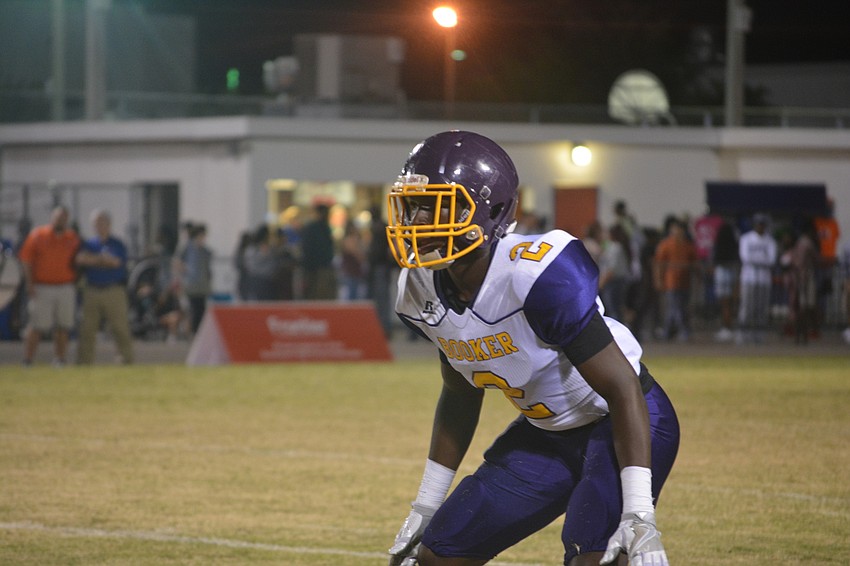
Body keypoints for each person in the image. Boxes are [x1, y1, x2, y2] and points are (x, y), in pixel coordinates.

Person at [385, 131, 679, 566]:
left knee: (596, 558)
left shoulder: (534, 276)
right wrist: (426, 503)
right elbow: (460, 393)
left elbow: (621, 387)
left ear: (493, 211)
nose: (419, 219)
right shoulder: (419, 288)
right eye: (414, 205)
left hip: (621, 419)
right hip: (546, 434)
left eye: (439, 205)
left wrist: (639, 512)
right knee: (433, 558)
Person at [17, 206, 81, 366]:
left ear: (67, 220)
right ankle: (28, 360)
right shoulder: (38, 235)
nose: (60, 220)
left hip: (65, 286)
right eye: (58, 217)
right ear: (52, 217)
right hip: (42, 286)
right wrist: (30, 284)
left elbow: (79, 260)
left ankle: (59, 359)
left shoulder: (72, 238)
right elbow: (26, 261)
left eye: (63, 218)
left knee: (63, 326)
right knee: (37, 325)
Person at [75, 209, 134, 364]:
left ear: (109, 224)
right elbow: (80, 260)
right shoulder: (89, 244)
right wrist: (102, 259)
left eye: (102, 222)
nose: (99, 226)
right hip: (92, 290)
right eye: (96, 223)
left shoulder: (117, 243)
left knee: (119, 328)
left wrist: (93, 260)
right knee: (87, 329)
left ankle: (125, 360)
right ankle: (84, 362)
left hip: (113, 290)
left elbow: (115, 262)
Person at [653, 219, 698, 342]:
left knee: (678, 308)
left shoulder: (688, 245)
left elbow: (694, 263)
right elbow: (659, 263)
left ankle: (668, 332)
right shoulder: (666, 245)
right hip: (671, 281)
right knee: (675, 307)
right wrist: (659, 280)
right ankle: (681, 331)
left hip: (684, 282)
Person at [736, 213, 778, 344]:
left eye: (762, 224)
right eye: (758, 224)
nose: (760, 226)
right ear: (754, 225)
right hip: (748, 279)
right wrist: (761, 260)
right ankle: (743, 335)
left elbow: (771, 260)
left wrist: (757, 261)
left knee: (761, 309)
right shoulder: (746, 239)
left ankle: (759, 336)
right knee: (747, 308)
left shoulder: (770, 240)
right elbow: (745, 258)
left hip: (764, 280)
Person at [176, 223, 212, 335]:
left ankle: (199, 332)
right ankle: (193, 331)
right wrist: (186, 272)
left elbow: (207, 268)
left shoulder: (205, 250)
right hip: (191, 284)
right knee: (193, 308)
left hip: (202, 284)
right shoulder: (187, 248)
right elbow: (177, 263)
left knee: (201, 308)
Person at [300, 203, 337, 300]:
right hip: (318, 269)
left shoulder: (322, 228)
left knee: (318, 296)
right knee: (319, 296)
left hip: (319, 268)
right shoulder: (317, 228)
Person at [711, 219, 739, 342]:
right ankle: (729, 327)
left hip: (722, 272)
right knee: (730, 304)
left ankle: (726, 328)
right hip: (731, 272)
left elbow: (713, 258)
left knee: (725, 304)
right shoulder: (733, 245)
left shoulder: (719, 245)